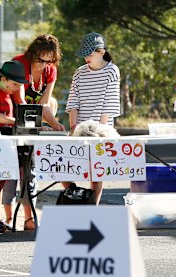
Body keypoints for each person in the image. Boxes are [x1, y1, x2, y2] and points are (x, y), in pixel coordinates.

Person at [1, 34, 66, 230]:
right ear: (32, 54)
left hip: (33, 122)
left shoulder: (50, 71)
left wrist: (56, 125)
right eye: (40, 60)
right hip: (10, 121)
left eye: (49, 60)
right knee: (11, 170)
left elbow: (45, 103)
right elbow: (19, 102)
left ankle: (29, 217)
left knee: (30, 169)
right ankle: (7, 216)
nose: (43, 65)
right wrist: (36, 125)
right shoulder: (19, 64)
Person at [65, 32, 121, 205]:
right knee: (65, 167)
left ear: (101, 52)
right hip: (79, 128)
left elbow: (109, 104)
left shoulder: (112, 70)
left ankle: (92, 206)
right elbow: (73, 100)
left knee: (96, 171)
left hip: (101, 130)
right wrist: (73, 126)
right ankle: (77, 196)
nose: (86, 58)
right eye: (85, 55)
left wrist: (99, 130)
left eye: (90, 54)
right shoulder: (79, 73)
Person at [0, 60, 36, 232]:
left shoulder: (8, 95)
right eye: (14, 84)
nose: (16, 88)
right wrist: (17, 121)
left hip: (5, 140)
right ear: (3, 79)